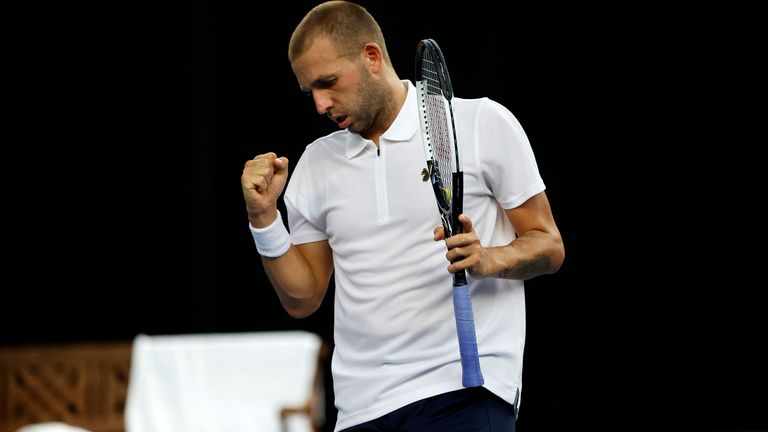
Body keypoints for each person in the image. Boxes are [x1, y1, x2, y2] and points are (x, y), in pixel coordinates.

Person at [240, 1, 564, 431]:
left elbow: (548, 244)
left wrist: (493, 259)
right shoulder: (315, 163)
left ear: (371, 57)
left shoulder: (480, 122)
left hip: (464, 391)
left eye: (328, 82)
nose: (320, 104)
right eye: (310, 92)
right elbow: (303, 299)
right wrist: (263, 218)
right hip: (361, 408)